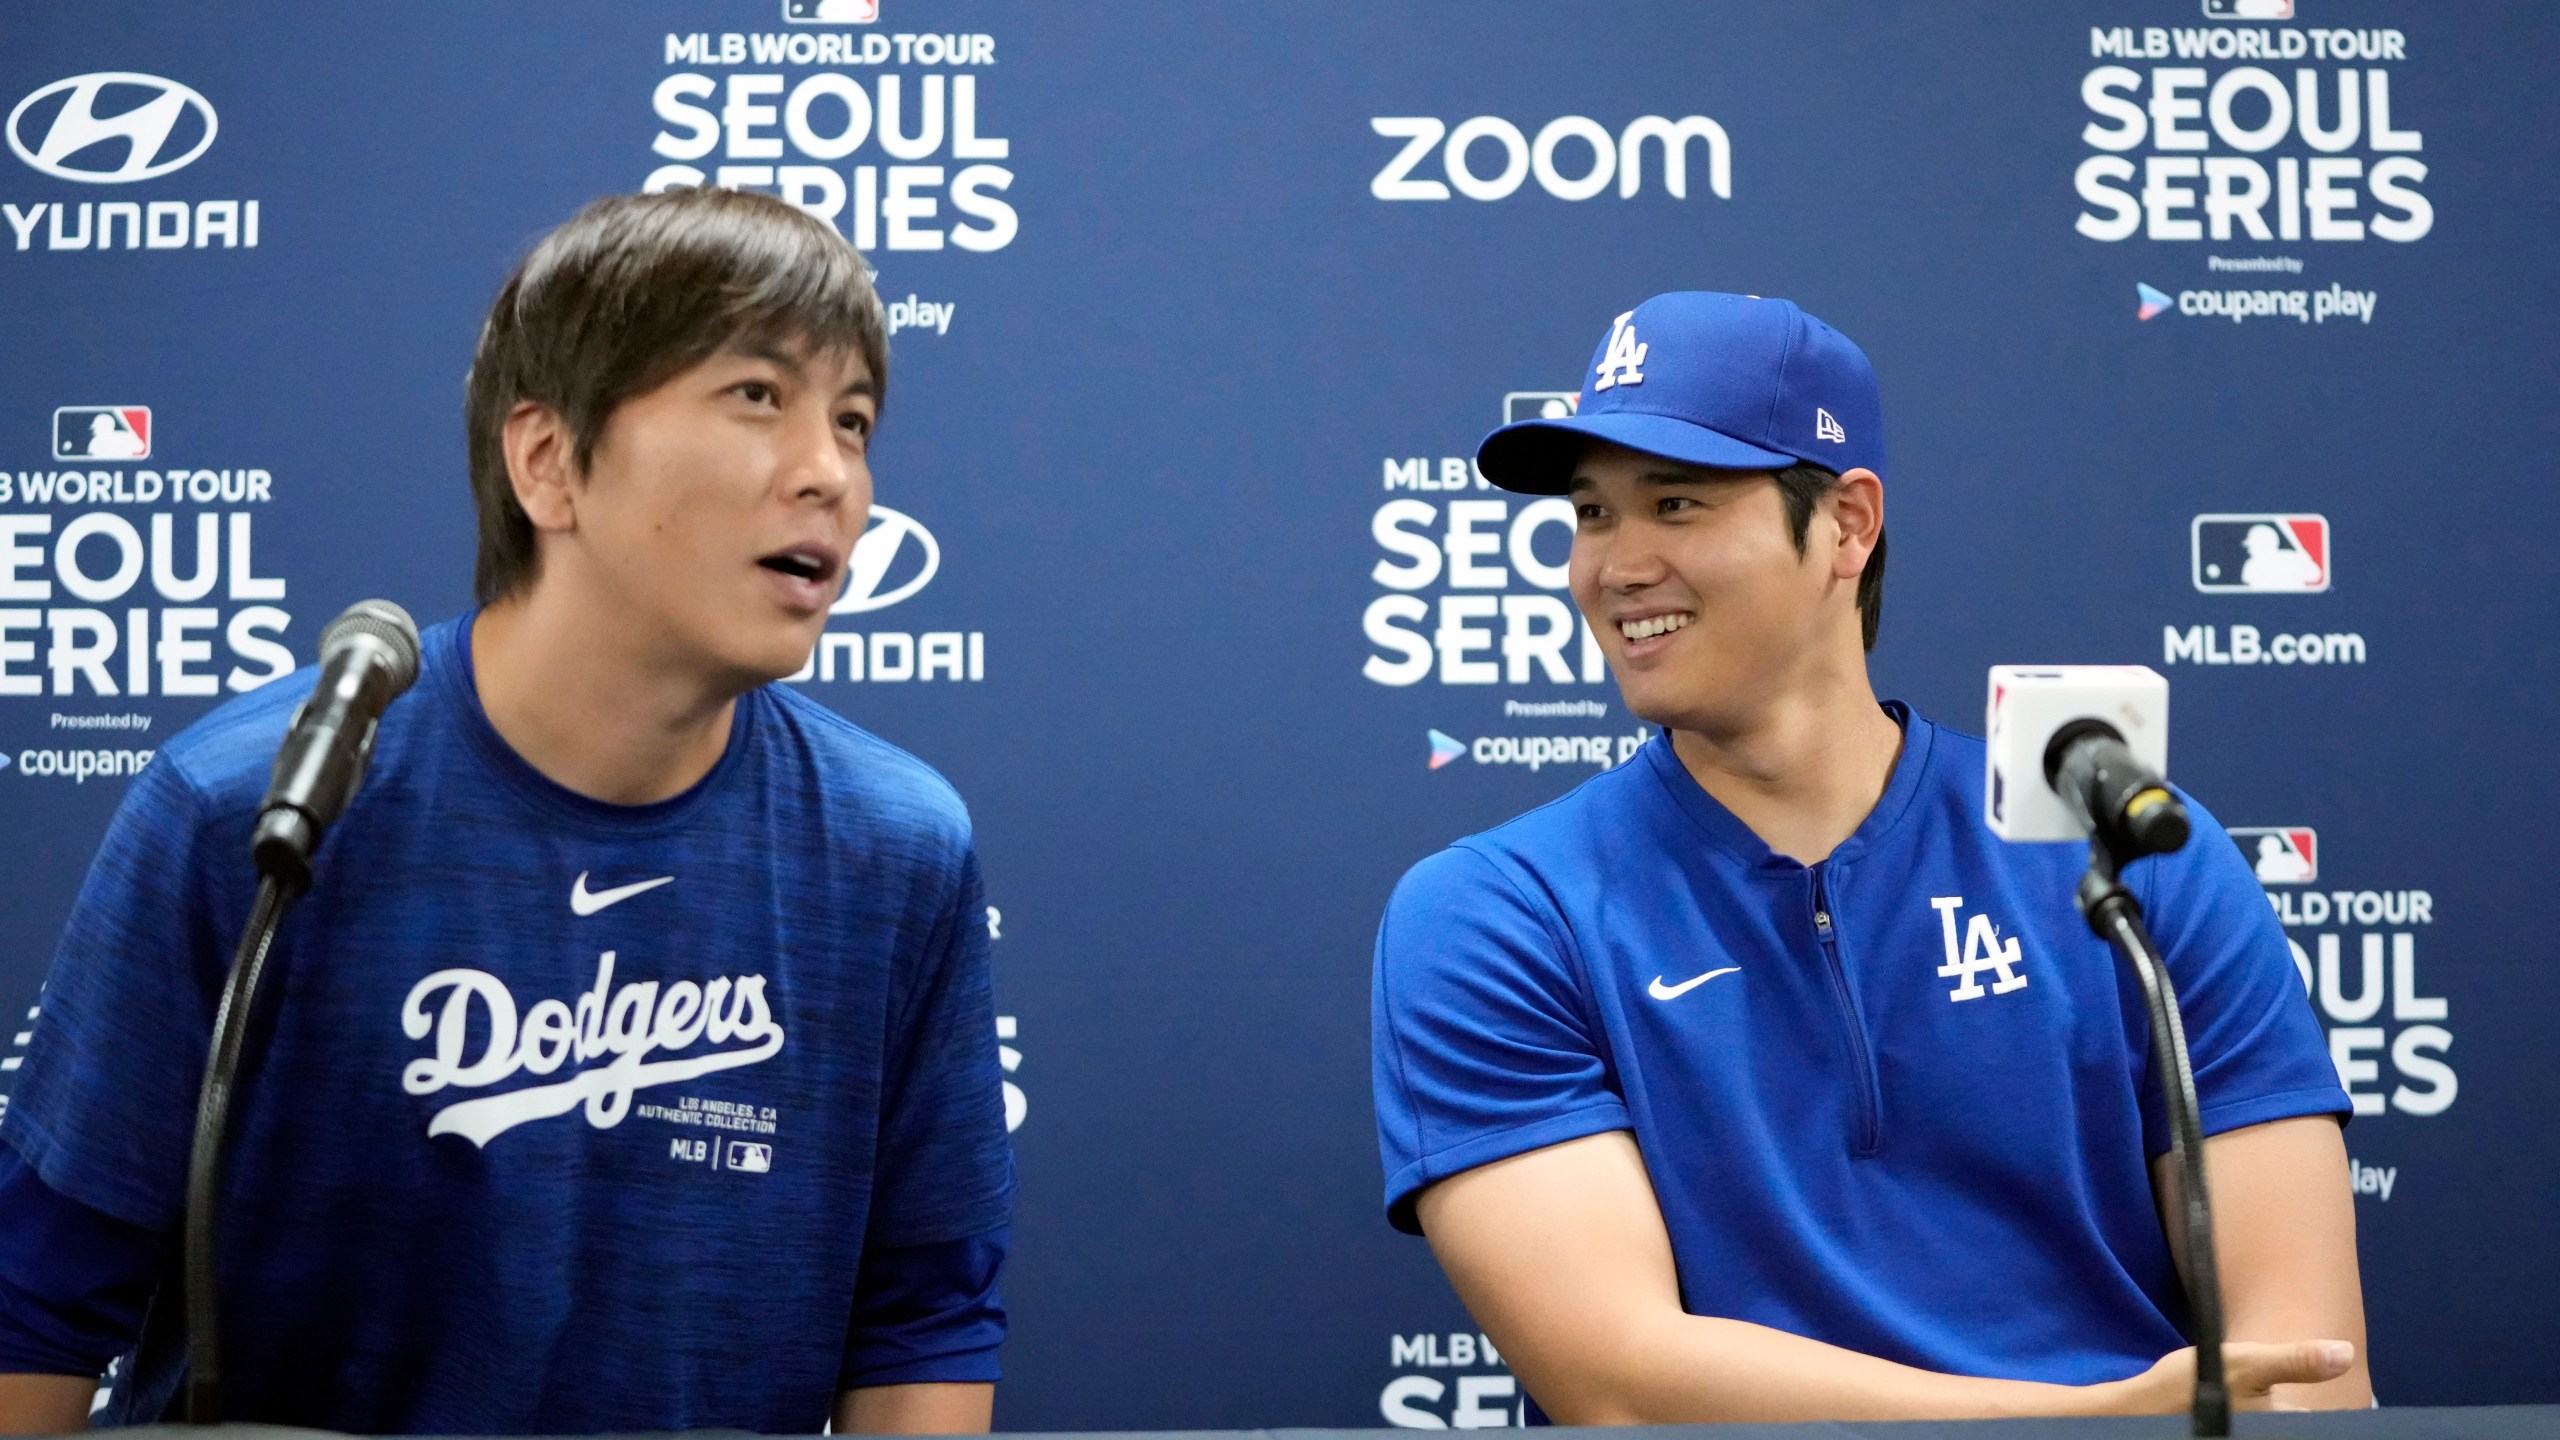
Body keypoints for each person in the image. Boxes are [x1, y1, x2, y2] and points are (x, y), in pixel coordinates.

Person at [0, 187, 1014, 1434]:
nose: (831, 476)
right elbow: (39, 1301)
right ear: (546, 461)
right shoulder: (255, 809)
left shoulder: (896, 850)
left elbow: (926, 1312)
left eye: (852, 421)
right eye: (758, 397)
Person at [1370, 292, 2369, 1424]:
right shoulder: (1496, 908)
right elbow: (1622, 1389)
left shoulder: (2125, 850)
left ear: (1847, 524)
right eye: (1592, 514)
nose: (1616, 565)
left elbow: (2305, 1376)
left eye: (1678, 503)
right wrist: (2084, 1425)